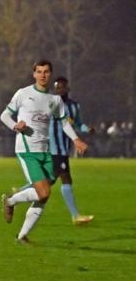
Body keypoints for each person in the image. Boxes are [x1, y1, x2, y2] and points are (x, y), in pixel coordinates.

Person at [0, 60, 88, 243]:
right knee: (44, 192)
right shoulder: (23, 94)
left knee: (43, 197)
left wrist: (76, 139)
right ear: (34, 74)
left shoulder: (54, 100)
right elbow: (4, 115)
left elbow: (64, 123)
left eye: (46, 72)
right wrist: (16, 126)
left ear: (50, 74)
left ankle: (22, 236)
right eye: (39, 72)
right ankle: (10, 201)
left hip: (45, 152)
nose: (42, 75)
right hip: (26, 150)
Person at [49, 76, 94, 224]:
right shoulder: (50, 104)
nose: (60, 89)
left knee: (48, 181)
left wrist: (87, 129)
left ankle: (15, 196)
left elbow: (78, 123)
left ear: (68, 88)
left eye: (62, 87)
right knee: (66, 179)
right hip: (54, 148)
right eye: (57, 87)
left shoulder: (74, 106)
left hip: (64, 148)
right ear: (55, 89)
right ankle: (75, 216)